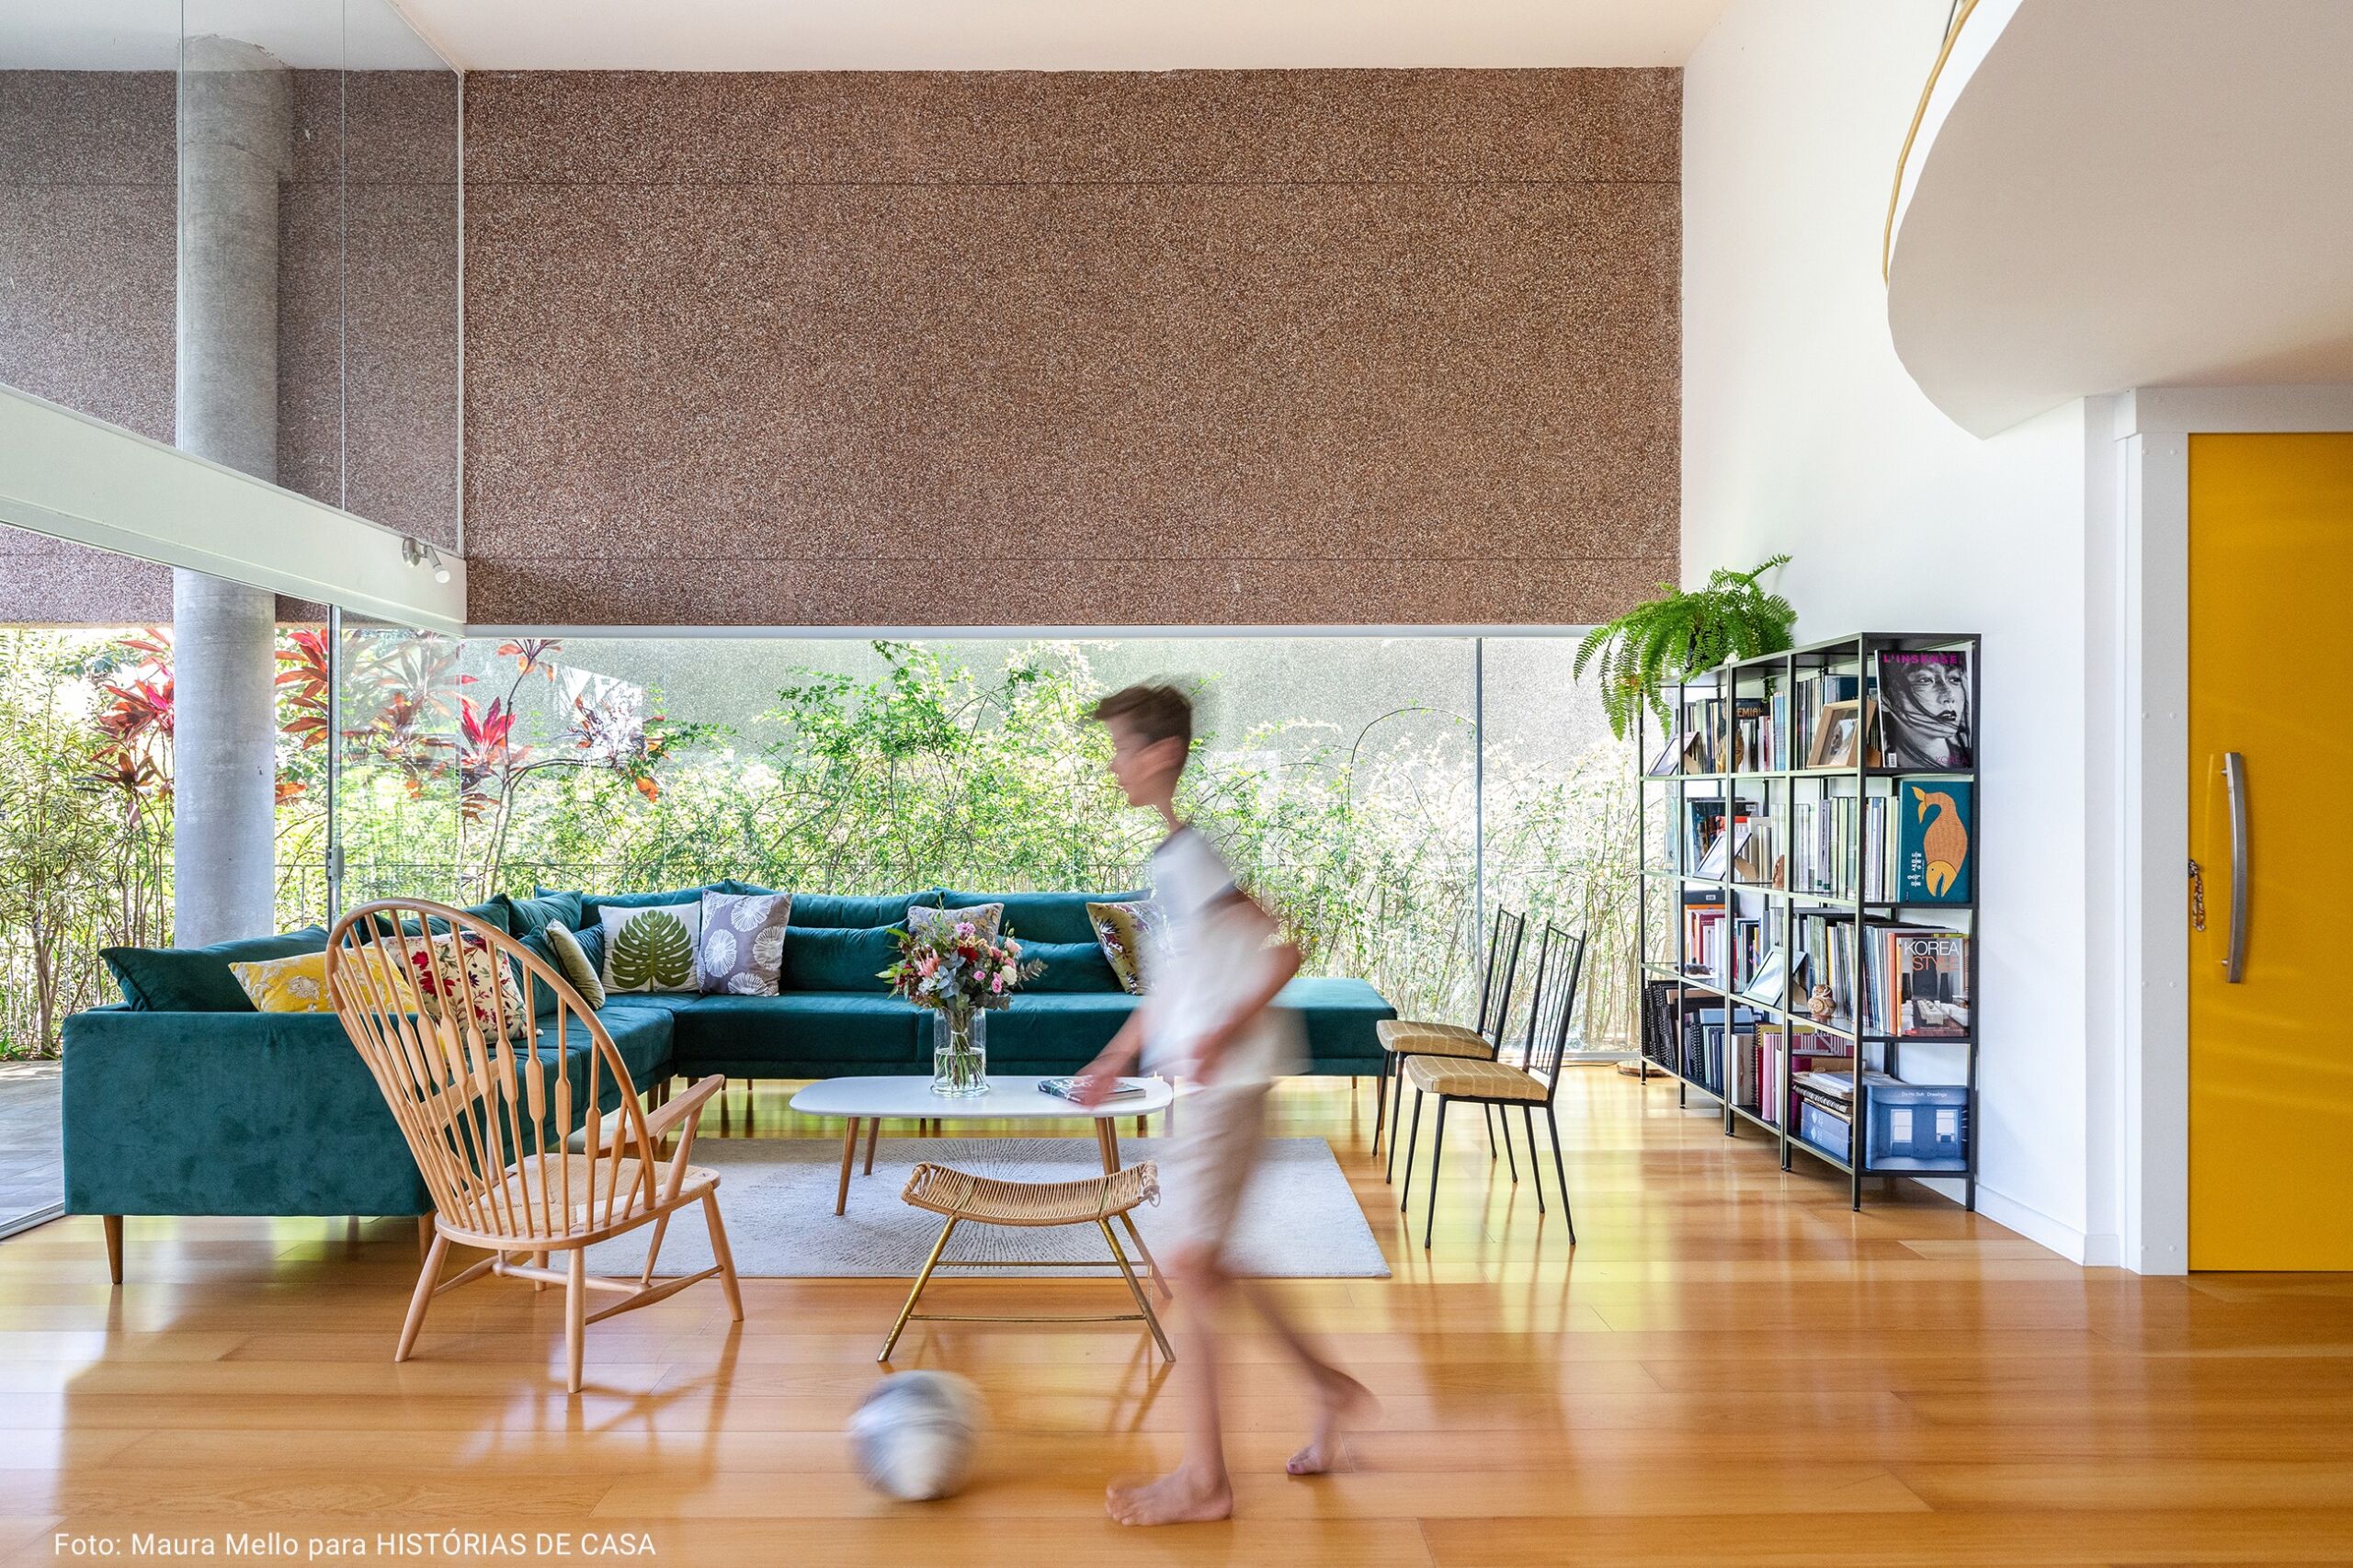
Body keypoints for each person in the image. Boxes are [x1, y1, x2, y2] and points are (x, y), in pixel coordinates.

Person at [1075, 682, 1371, 1527]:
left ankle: (1205, 1481)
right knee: (1206, 1265)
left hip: (1227, 1086)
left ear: (1161, 754)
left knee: (1190, 1266)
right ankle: (1330, 1389)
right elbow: (1179, 984)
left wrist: (1219, 1035)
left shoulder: (1188, 856)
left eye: (1122, 748)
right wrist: (1116, 1057)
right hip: (1210, 1086)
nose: (1114, 765)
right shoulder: (1176, 855)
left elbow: (1284, 953)